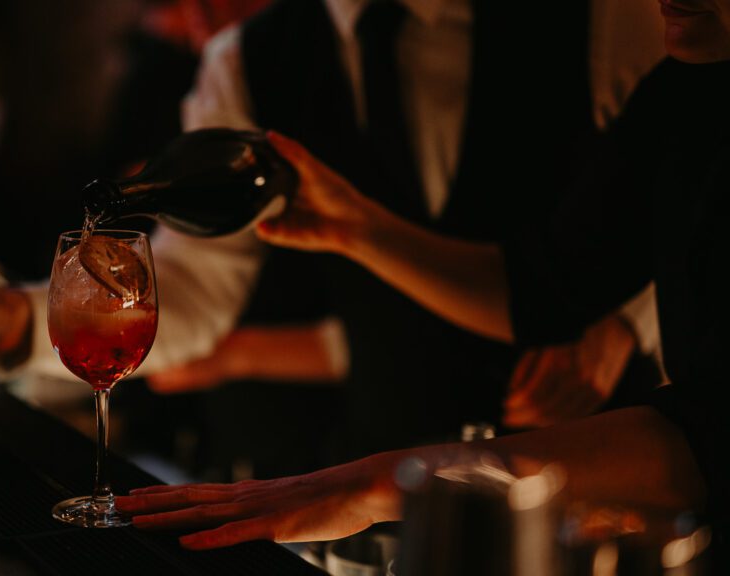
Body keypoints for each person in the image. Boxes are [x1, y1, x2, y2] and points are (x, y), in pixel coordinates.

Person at [112, 0, 730, 565]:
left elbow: (706, 431)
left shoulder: (618, 31)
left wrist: (395, 480)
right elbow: (542, 288)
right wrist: (358, 227)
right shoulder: (684, 88)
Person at [0, 0, 666, 464]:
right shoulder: (246, 62)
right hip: (387, 483)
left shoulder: (610, 19)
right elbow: (196, 286)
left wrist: (628, 325)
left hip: (589, 475)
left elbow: (697, 203)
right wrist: (19, 316)